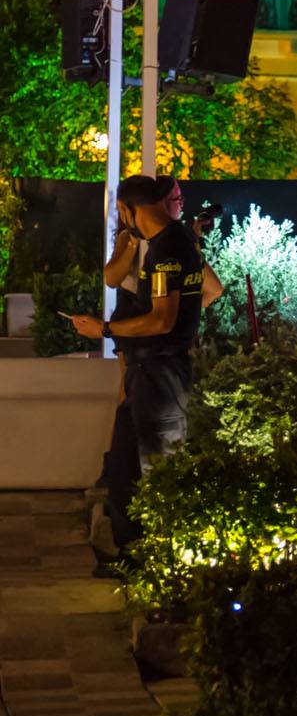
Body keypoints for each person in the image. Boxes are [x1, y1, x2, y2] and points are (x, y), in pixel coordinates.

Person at [70, 174, 207, 557]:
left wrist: (106, 329)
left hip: (161, 373)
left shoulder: (168, 249)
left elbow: (162, 319)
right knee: (123, 471)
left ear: (129, 208)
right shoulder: (172, 242)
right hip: (147, 372)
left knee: (159, 470)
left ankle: (163, 564)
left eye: (120, 210)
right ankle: (133, 557)